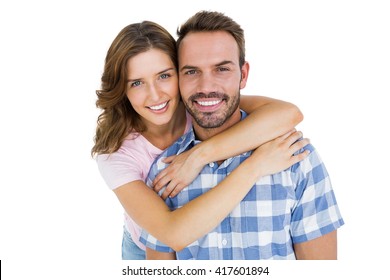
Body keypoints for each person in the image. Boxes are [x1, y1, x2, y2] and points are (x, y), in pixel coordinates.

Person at [92, 21, 308, 260]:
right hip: (145, 247)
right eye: (137, 83)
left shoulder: (200, 105)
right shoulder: (116, 154)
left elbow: (289, 114)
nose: (155, 95)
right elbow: (171, 234)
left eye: (164, 76)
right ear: (122, 89)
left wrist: (199, 155)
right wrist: (256, 166)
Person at [140, 11, 344, 260]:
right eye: (192, 72)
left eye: (222, 69)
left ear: (243, 75)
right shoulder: (164, 172)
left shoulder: (295, 157)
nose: (206, 87)